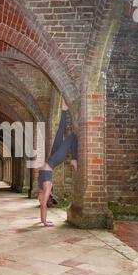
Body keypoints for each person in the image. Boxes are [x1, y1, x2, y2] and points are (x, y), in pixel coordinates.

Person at [38, 97, 78, 226]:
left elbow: (43, 205)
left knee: (72, 137)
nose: (50, 197)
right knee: (60, 133)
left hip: (54, 161)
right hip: (50, 160)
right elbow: (42, 203)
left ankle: (74, 159)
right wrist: (43, 221)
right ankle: (64, 110)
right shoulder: (41, 188)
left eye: (50, 198)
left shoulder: (47, 187)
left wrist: (44, 223)